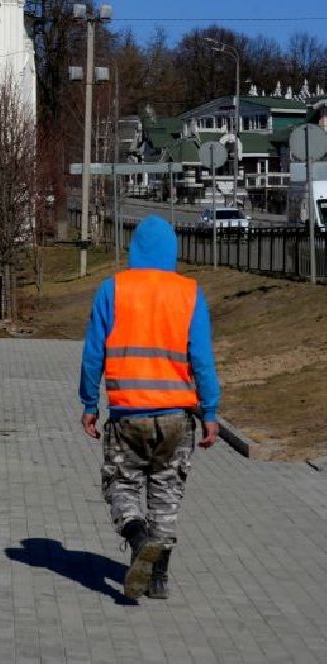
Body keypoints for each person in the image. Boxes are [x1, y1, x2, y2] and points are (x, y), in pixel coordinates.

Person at [79, 214, 222, 601]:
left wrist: (89, 404)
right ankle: (159, 579)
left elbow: (94, 355)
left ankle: (138, 537)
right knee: (166, 493)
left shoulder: (113, 289)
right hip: (177, 418)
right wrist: (210, 412)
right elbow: (202, 360)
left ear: (134, 249)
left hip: (128, 415)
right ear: (172, 251)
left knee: (121, 485)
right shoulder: (190, 293)